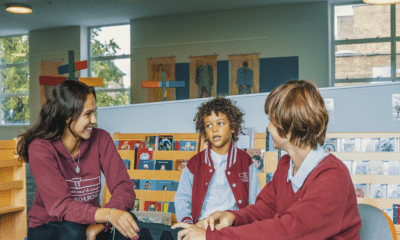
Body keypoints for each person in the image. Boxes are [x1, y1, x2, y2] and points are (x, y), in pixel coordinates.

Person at [172, 80, 361, 239]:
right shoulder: (286, 165)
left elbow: (288, 231)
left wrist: (211, 237)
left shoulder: (332, 176)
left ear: (289, 126)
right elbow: (264, 209)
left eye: (271, 120)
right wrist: (232, 217)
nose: (268, 127)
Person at [18, 80, 139, 240]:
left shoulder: (101, 139)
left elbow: (123, 187)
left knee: (129, 224)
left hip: (88, 221)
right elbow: (60, 206)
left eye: (94, 112)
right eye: (87, 114)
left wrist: (104, 222)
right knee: (73, 232)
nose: (94, 120)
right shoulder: (40, 148)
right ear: (67, 116)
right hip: (49, 226)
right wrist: (108, 215)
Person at [173, 97, 261, 226]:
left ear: (232, 127)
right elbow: (182, 198)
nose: (214, 129)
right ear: (204, 131)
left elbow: (255, 198)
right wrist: (188, 225)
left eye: (220, 123)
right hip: (202, 226)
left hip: (234, 226)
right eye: (208, 125)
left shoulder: (245, 160)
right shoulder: (194, 163)